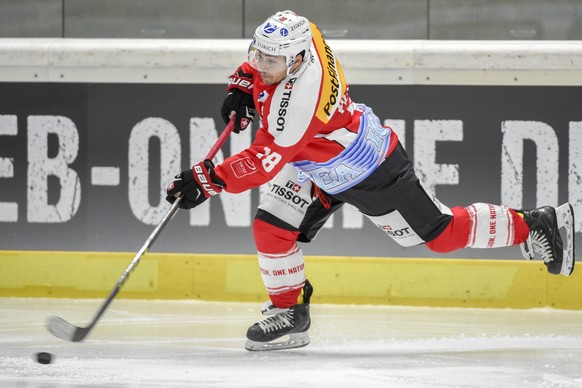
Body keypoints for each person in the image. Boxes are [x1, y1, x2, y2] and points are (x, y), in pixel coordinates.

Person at [166, 10, 575, 351]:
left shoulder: (299, 104)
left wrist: (206, 180)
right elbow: (265, 60)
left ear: (295, 64)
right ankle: (290, 312)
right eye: (256, 55)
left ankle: (536, 224)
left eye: (269, 63)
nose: (260, 65)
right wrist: (243, 83)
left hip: (369, 168)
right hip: (316, 162)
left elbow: (263, 162)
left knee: (439, 234)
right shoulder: (300, 32)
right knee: (271, 227)